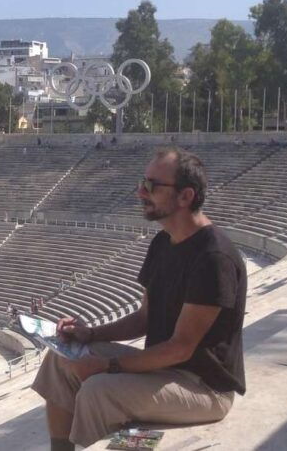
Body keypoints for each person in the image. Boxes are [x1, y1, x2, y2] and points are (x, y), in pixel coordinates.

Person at [33, 147, 247, 450]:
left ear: (185, 196)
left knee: (99, 389)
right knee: (62, 355)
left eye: (151, 186)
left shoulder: (213, 258)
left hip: (204, 389)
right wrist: (90, 334)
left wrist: (107, 366)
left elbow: (180, 348)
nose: (140, 192)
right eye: (141, 183)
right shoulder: (164, 243)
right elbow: (145, 317)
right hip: (165, 371)